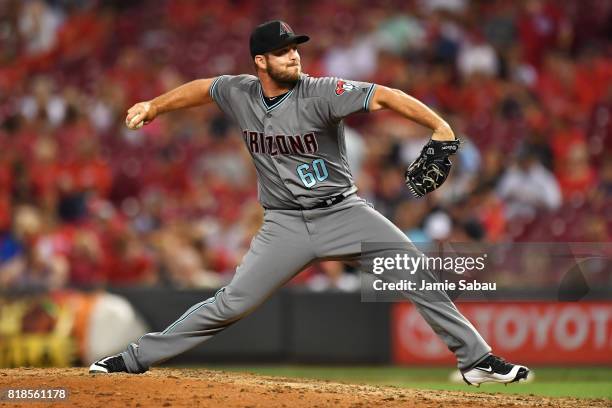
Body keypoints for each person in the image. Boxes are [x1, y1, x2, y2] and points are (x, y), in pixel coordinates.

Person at [89, 20, 528, 386]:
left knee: (415, 272)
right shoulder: (240, 92)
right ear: (260, 61)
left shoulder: (322, 91)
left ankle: (475, 360)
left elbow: (386, 96)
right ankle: (133, 359)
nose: (294, 56)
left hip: (344, 213)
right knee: (231, 303)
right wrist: (154, 105)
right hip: (284, 225)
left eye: (295, 48)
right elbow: (204, 89)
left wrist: (441, 126)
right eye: (282, 52)